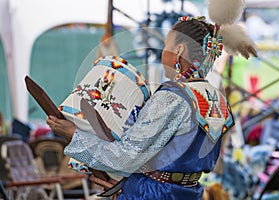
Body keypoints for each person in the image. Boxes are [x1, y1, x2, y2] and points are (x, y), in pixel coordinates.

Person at [47, 15, 257, 199]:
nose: (163, 53)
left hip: (154, 193)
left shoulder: (173, 97)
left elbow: (124, 157)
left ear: (179, 50)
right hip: (190, 192)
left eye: (166, 46)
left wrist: (74, 135)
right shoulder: (218, 100)